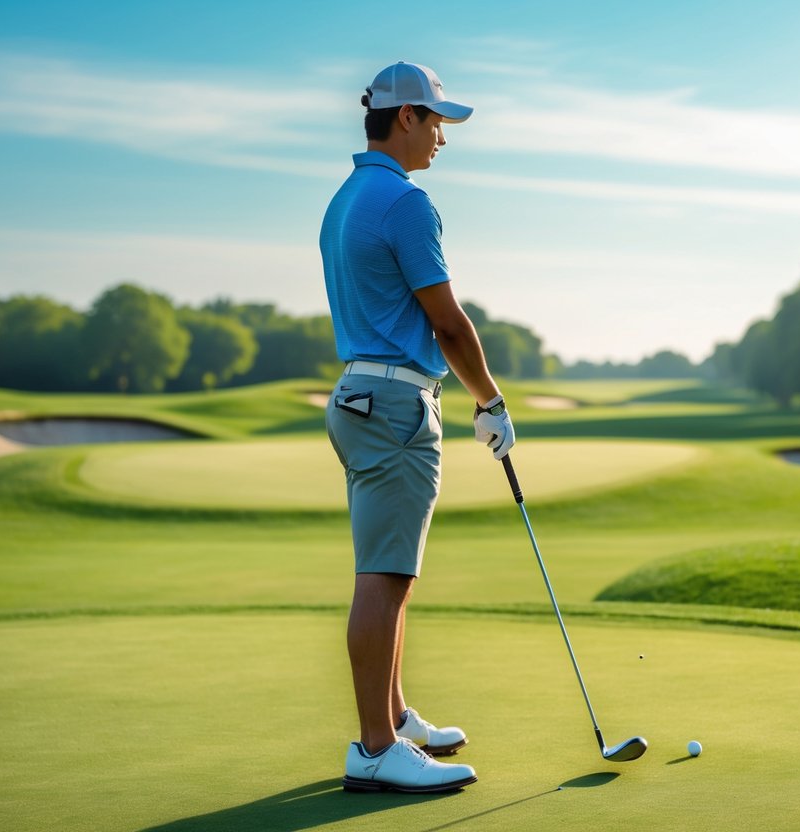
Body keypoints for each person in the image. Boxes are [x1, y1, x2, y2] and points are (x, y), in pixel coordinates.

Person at [319, 61, 515, 794]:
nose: (441, 136)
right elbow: (449, 324)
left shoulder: (345, 198)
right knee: (385, 577)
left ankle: (394, 719)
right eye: (435, 121)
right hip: (397, 402)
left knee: (386, 572)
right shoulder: (404, 201)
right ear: (404, 118)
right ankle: (375, 749)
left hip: (357, 398)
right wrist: (490, 402)